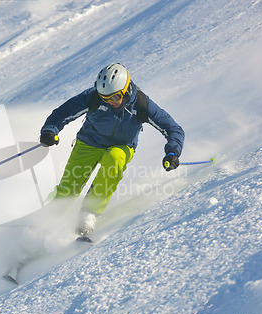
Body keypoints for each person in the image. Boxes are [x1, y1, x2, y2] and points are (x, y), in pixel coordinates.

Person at [40, 63, 184, 237]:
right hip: (89, 142)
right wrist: (50, 131)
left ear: (126, 90)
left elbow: (173, 129)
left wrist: (173, 152)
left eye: (115, 97)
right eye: (105, 98)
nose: (110, 102)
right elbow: (62, 113)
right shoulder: (92, 97)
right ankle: (42, 224)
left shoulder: (141, 104)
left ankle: (89, 214)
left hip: (122, 146)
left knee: (115, 159)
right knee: (69, 187)